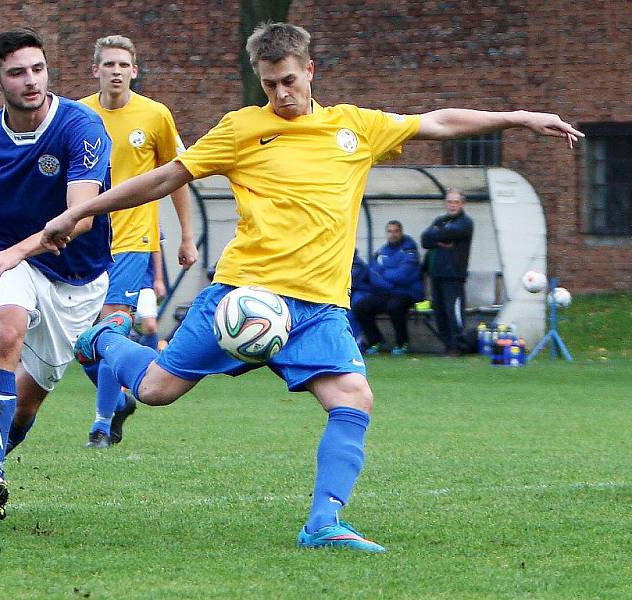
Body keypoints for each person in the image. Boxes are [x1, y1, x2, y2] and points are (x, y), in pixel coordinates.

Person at [34, 23, 579, 552]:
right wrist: (82, 210)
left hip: (319, 307)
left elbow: (436, 122)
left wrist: (522, 117)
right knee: (155, 391)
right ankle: (103, 338)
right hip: (241, 296)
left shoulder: (355, 127)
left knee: (353, 398)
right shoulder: (242, 128)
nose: (281, 93)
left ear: (310, 69)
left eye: (290, 80)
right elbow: (164, 177)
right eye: (269, 84)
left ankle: (324, 523)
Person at [0, 27, 113, 521]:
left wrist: (14, 252)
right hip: (8, 256)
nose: (31, 81)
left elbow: (79, 219)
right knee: (6, 332)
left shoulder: (82, 127)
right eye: (17, 73)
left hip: (76, 275)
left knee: (29, 403)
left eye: (38, 69)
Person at [77, 35, 198, 449]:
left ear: (134, 70)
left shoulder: (155, 115)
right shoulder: (76, 115)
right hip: (85, 240)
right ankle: (123, 394)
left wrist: (186, 235)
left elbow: (178, 175)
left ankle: (100, 423)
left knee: (112, 327)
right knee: (82, 339)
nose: (116, 71)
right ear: (95, 70)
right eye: (108, 64)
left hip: (133, 238)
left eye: (123, 65)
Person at [353, 220, 424, 356]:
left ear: (401, 232)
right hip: (387, 291)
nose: (393, 235)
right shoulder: (381, 252)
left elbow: (403, 274)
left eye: (396, 231)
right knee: (361, 306)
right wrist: (388, 281)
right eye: (390, 231)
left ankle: (402, 343)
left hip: (408, 292)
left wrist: (385, 272)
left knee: (395, 306)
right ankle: (376, 341)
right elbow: (373, 274)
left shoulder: (409, 250)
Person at [421, 190, 474, 356]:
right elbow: (425, 239)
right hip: (436, 274)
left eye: (456, 202)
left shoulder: (465, 222)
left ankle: (458, 346)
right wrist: (440, 239)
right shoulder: (440, 220)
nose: (452, 205)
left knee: (453, 311)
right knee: (440, 312)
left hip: (454, 275)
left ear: (462, 204)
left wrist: (438, 236)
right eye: (450, 202)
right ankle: (447, 345)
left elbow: (449, 233)